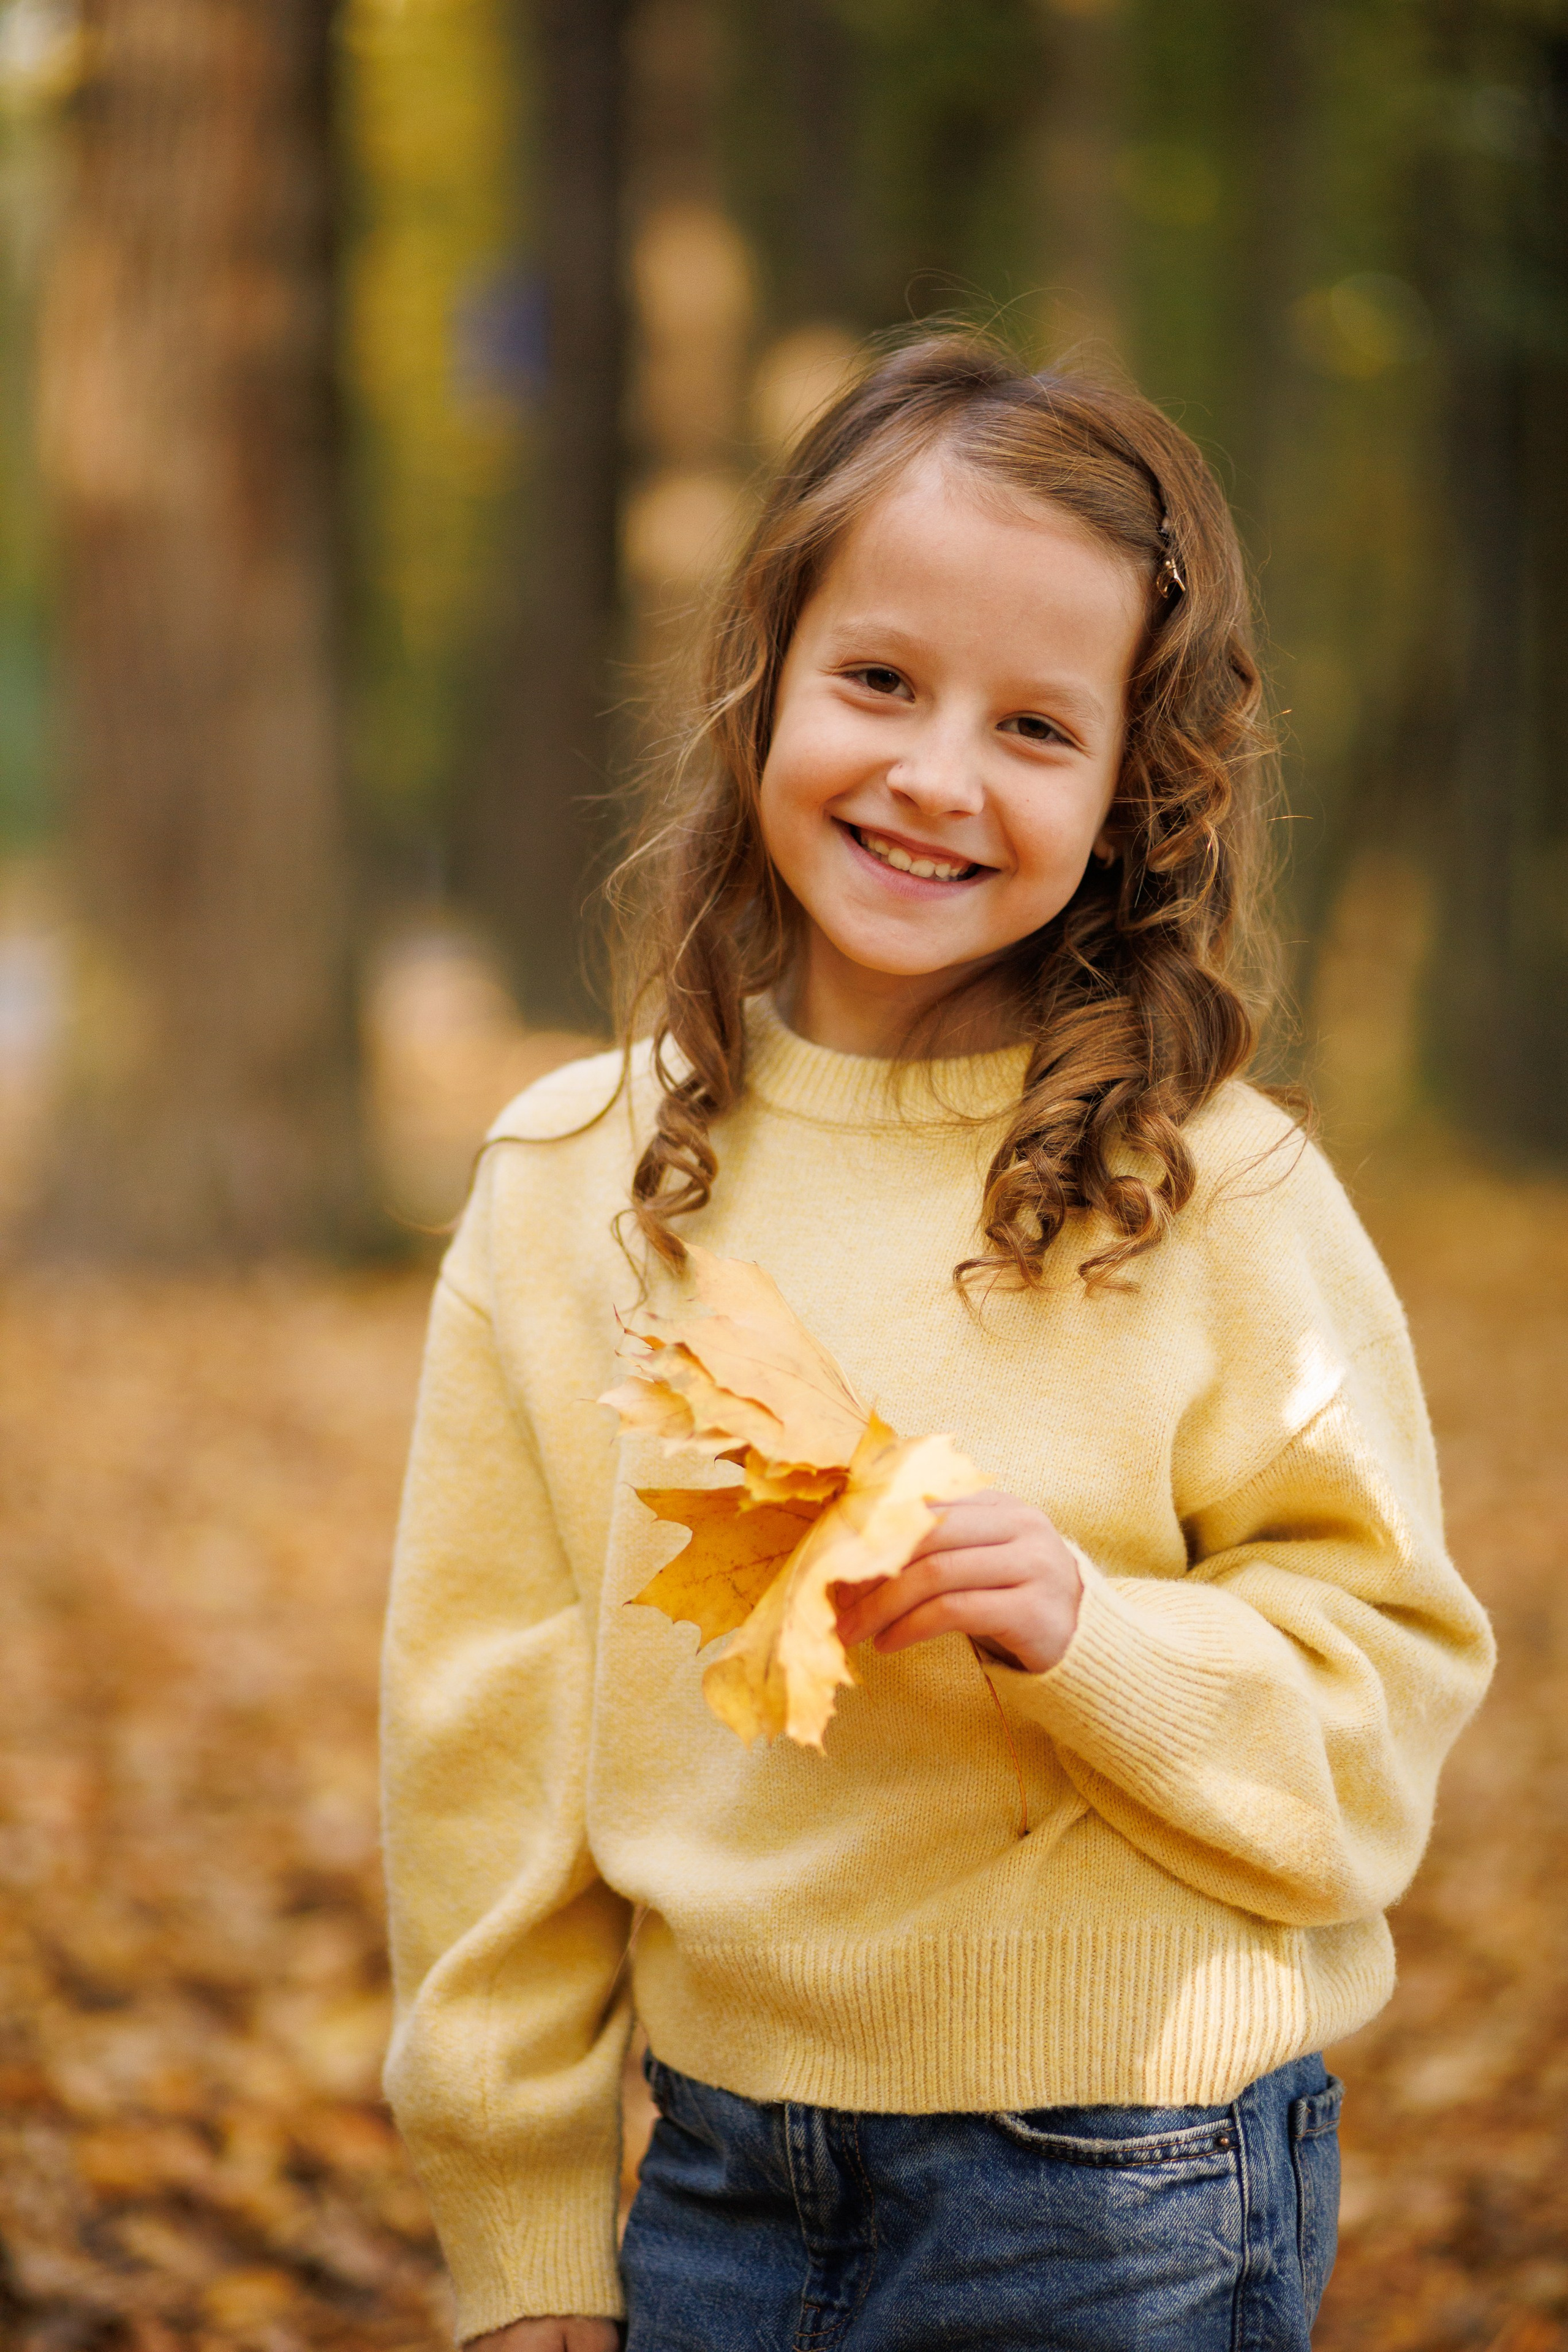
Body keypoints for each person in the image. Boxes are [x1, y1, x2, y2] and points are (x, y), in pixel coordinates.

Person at [380, 333, 1494, 2352]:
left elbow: (1386, 1694)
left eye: (1037, 728)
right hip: (716, 2169)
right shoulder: (568, 1183)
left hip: (1120, 2185)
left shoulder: (1216, 1196)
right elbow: (488, 1754)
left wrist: (1092, 1631)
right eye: (880, 681)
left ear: (1134, 793)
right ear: (765, 677)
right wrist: (525, 2246)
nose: (935, 776)